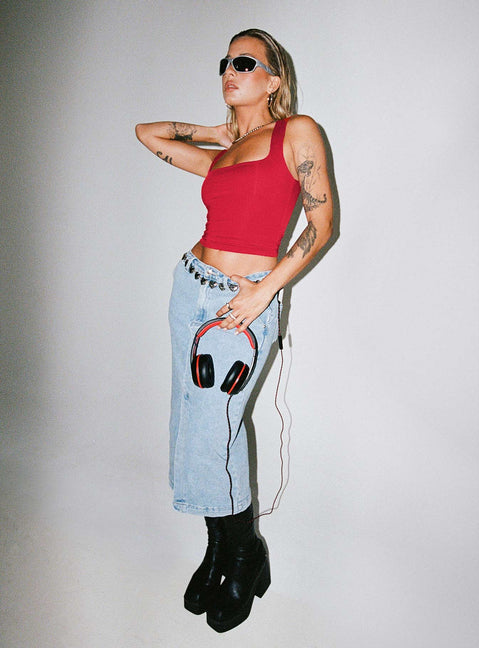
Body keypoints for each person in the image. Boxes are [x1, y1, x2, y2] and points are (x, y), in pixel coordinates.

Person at [136, 27, 335, 633]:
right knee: (192, 425)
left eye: (246, 62)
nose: (230, 70)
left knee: (214, 432)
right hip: (190, 287)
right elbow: (147, 133)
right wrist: (215, 131)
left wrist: (266, 289)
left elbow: (322, 224)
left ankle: (246, 556)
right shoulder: (225, 152)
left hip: (241, 301)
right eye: (225, 61)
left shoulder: (297, 131)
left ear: (274, 79)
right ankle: (221, 548)